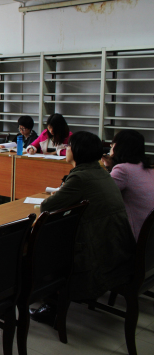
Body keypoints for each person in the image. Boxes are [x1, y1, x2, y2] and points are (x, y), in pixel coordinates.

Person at [31, 131, 135, 324]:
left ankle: (50, 304)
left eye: (69, 146)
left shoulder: (80, 178)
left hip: (96, 254)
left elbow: (47, 206)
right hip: (115, 249)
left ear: (77, 151)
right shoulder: (101, 172)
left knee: (43, 245)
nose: (66, 148)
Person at [102, 129, 154, 241]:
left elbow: (102, 193)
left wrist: (108, 168)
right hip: (150, 236)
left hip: (138, 237)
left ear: (119, 147)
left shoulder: (122, 170)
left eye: (112, 145)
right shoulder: (149, 168)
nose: (110, 148)